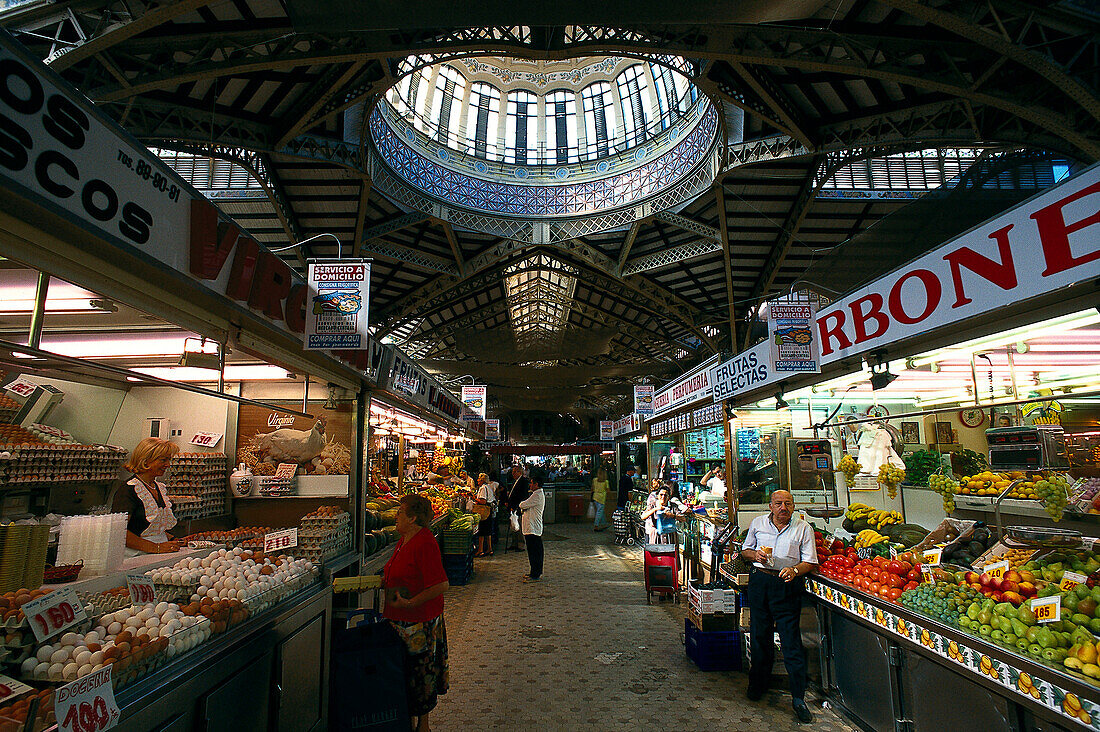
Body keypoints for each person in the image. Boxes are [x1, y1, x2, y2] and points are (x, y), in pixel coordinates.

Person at [740, 490, 819, 724]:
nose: (783, 508)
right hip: (760, 582)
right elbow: (745, 551)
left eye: (788, 504)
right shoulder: (757, 523)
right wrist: (754, 554)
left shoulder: (804, 528)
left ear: (793, 506)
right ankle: (758, 685)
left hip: (786, 585)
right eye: (778, 504)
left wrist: (795, 570)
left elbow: (810, 561)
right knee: (759, 636)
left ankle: (798, 698)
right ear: (770, 506)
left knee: (790, 640)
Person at [382, 493, 450, 732]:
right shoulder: (404, 539)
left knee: (420, 676)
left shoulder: (425, 542)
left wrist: (412, 603)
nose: (396, 517)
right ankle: (408, 723)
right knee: (404, 674)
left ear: (412, 518)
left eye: (400, 513)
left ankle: (423, 726)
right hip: (399, 622)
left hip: (418, 625)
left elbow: (441, 585)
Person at [112, 437, 181, 555]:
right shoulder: (129, 489)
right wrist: (156, 547)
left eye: (168, 460)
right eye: (163, 460)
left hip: (157, 553)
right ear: (146, 461)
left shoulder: (158, 487)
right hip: (135, 556)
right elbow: (118, 532)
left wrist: (171, 539)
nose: (168, 465)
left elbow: (147, 527)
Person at [518, 467, 546, 582]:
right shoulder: (535, 494)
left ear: (537, 484)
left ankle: (535, 574)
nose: (530, 485)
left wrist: (521, 504)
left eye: (532, 483)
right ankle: (533, 572)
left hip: (533, 528)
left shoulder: (537, 495)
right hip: (531, 527)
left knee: (535, 552)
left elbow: (523, 505)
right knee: (532, 551)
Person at [504, 464, 530, 552]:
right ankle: (514, 543)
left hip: (518, 508)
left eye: (514, 472)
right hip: (512, 507)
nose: (513, 474)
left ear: (519, 472)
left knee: (519, 527)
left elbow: (522, 496)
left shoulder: (523, 481)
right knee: (513, 526)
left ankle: (520, 545)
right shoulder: (514, 481)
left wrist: (516, 507)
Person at [474, 472, 497, 557]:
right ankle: (489, 549)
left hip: (484, 511)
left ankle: (480, 550)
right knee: (488, 531)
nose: (477, 481)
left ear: (481, 480)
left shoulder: (483, 488)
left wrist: (474, 498)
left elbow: (483, 501)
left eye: (478, 479)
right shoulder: (488, 487)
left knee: (482, 531)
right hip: (489, 511)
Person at [590, 466, 612, 531]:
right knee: (599, 511)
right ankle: (596, 525)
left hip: (595, 496)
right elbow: (608, 490)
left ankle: (604, 523)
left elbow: (592, 489)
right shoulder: (606, 481)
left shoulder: (594, 480)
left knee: (601, 511)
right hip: (602, 497)